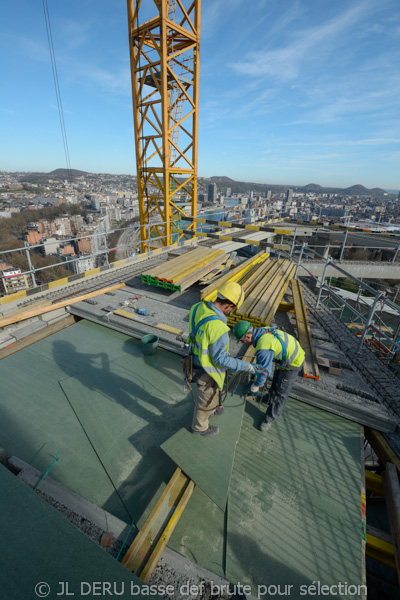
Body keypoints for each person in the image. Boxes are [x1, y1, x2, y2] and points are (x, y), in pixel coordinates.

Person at [187, 282, 258, 437]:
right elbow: (220, 360)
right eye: (233, 309)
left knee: (211, 397)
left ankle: (212, 409)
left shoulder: (197, 307)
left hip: (194, 360)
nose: (231, 312)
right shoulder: (218, 327)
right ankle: (200, 428)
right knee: (204, 401)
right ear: (229, 305)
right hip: (207, 370)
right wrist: (246, 366)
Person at [232, 321, 305, 432]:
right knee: (276, 381)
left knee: (281, 391)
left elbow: (264, 371)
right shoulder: (261, 331)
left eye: (242, 340)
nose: (243, 343)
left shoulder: (263, 347)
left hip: (293, 362)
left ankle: (270, 418)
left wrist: (255, 386)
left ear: (247, 336)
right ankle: (269, 398)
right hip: (283, 358)